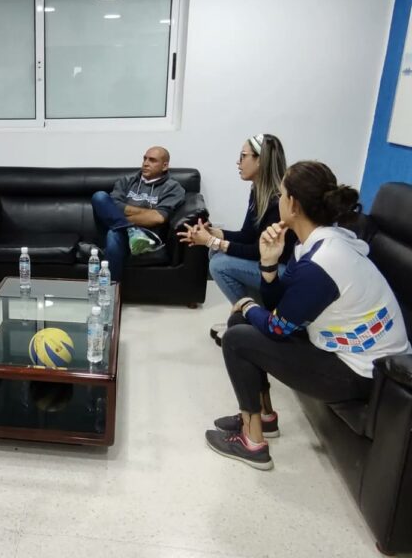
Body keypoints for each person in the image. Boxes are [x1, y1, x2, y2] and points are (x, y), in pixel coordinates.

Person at [205, 161, 409, 470]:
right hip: (350, 353)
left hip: (364, 374)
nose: (278, 200)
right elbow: (281, 303)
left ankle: (252, 443)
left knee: (236, 338)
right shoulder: (321, 241)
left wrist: (247, 303)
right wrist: (269, 263)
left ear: (293, 204)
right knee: (240, 322)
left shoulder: (322, 262)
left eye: (281, 194)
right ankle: (265, 417)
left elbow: (276, 328)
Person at [178, 134, 294, 344]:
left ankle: (254, 321)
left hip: (285, 272)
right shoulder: (258, 191)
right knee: (216, 252)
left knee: (220, 263)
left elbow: (260, 251)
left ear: (260, 160)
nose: (238, 162)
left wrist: (211, 241)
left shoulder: (278, 200)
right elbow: (247, 236)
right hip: (269, 264)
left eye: (243, 156)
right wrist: (213, 233)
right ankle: (248, 315)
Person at [91, 146, 185, 281]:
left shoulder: (173, 188)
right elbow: (113, 205)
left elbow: (158, 217)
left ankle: (109, 288)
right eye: (145, 159)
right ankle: (129, 229)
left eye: (152, 160)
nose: (145, 163)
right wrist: (147, 213)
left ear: (165, 166)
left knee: (113, 233)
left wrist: (122, 214)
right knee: (99, 196)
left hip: (146, 236)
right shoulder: (127, 181)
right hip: (122, 231)